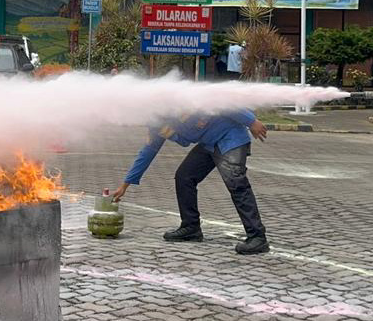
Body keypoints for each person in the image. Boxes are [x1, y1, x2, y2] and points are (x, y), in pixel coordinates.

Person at [112, 109, 271, 255]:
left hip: (230, 137)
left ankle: (257, 237)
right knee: (185, 177)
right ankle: (191, 227)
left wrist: (250, 121)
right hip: (209, 144)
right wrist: (125, 185)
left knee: (236, 184)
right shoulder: (156, 124)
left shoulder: (180, 100)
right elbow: (148, 152)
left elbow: (222, 101)